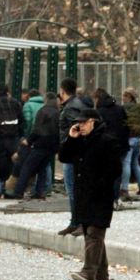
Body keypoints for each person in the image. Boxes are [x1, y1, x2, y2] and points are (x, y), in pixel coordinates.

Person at [60, 109, 122, 280]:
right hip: (84, 195)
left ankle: (88, 272)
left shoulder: (107, 140)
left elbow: (115, 169)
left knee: (95, 232)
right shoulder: (81, 140)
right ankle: (101, 274)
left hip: (100, 195)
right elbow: (64, 157)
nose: (80, 125)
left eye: (84, 122)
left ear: (93, 122)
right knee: (90, 230)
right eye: (78, 122)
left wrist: (100, 185)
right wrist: (71, 138)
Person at [12, 93, 59, 198]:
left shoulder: (42, 111)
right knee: (42, 168)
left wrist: (29, 141)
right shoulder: (57, 112)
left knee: (27, 167)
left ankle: (18, 191)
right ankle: (40, 192)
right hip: (51, 146)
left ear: (46, 100)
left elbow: (37, 129)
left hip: (40, 144)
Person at [57, 78, 88, 237]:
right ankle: (75, 222)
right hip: (72, 153)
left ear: (62, 91)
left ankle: (78, 222)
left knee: (73, 189)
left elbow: (76, 130)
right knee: (73, 189)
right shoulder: (76, 105)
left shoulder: (71, 108)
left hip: (72, 154)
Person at [93, 88, 129, 204]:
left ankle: (105, 197)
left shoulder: (99, 112)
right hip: (121, 145)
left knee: (103, 171)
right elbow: (126, 126)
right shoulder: (120, 109)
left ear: (97, 98)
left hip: (105, 146)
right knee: (117, 171)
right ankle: (115, 197)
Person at [121, 89, 140, 195]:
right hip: (138, 138)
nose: (123, 98)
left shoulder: (124, 108)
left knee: (126, 163)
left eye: (124, 96)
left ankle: (125, 189)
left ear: (129, 97)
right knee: (135, 163)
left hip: (129, 138)